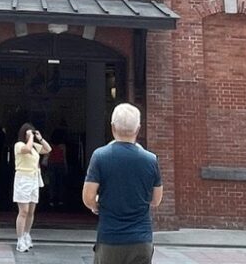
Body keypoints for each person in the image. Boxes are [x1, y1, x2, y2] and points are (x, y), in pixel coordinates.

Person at [81, 103, 162, 264]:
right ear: (138, 129)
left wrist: (97, 205)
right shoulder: (151, 160)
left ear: (112, 127)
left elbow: (88, 198)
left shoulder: (100, 156)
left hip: (110, 238)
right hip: (141, 238)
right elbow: (156, 200)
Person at [13, 122, 51, 252]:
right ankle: (19, 240)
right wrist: (29, 138)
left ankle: (26, 234)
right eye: (28, 133)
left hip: (34, 178)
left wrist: (39, 138)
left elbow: (48, 149)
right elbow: (26, 149)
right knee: (23, 211)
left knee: (31, 211)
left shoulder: (34, 145)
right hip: (23, 178)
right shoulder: (19, 145)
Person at [46, 128, 68, 208]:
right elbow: (64, 157)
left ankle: (51, 199)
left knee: (52, 183)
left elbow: (47, 156)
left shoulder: (49, 145)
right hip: (60, 164)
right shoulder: (62, 146)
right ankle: (60, 199)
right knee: (60, 182)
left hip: (51, 164)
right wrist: (66, 166)